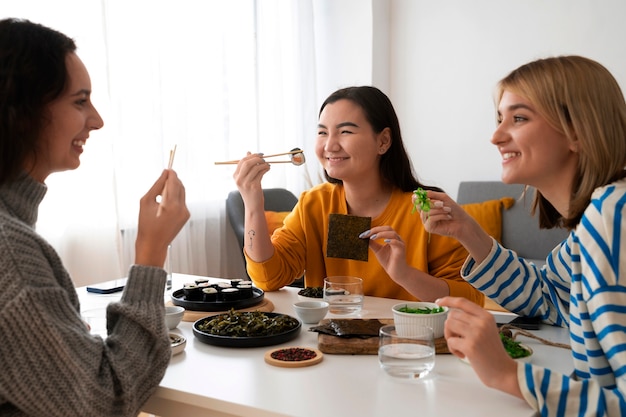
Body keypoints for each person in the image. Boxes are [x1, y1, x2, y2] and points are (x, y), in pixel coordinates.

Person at [0, 18, 190, 416]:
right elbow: (107, 401)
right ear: (24, 108)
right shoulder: (10, 250)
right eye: (80, 101)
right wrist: (151, 253)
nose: (97, 120)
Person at [416, 56, 626, 415]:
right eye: (499, 119)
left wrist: (507, 374)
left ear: (577, 131)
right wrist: (467, 231)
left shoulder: (612, 217)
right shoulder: (598, 218)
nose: (496, 136)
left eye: (519, 118)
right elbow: (550, 296)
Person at [233, 86, 483, 304]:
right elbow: (268, 277)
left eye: (346, 132)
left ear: (383, 141)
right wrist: (253, 204)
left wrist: (405, 274)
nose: (330, 145)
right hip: (330, 343)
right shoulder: (316, 203)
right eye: (322, 132)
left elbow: (469, 298)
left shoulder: (426, 208)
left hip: (405, 346)